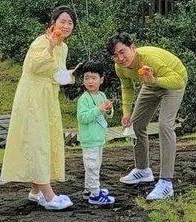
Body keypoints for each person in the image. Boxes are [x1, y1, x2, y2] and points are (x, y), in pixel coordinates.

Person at [0, 6, 82, 211]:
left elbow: (57, 73)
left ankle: (36, 191)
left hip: (48, 97)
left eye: (70, 23)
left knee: (46, 139)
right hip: (32, 97)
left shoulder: (64, 47)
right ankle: (48, 194)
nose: (66, 26)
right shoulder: (41, 41)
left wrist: (73, 74)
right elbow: (34, 66)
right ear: (53, 22)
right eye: (62, 21)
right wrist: (51, 47)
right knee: (37, 141)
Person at [106, 32, 187, 201]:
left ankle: (166, 182)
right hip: (150, 82)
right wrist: (126, 112)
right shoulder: (120, 67)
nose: (120, 58)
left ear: (133, 47)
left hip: (172, 82)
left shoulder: (149, 59)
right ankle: (143, 170)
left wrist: (154, 80)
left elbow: (178, 80)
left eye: (122, 52)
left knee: (165, 125)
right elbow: (127, 87)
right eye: (115, 55)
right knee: (135, 125)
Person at [76, 61, 116, 206]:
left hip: (99, 138)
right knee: (91, 165)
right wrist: (98, 109)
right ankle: (95, 194)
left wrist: (108, 109)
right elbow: (83, 118)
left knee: (96, 165)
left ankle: (89, 189)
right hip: (89, 139)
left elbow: (107, 115)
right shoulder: (83, 99)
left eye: (93, 78)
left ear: (101, 79)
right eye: (86, 78)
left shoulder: (102, 95)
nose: (90, 81)